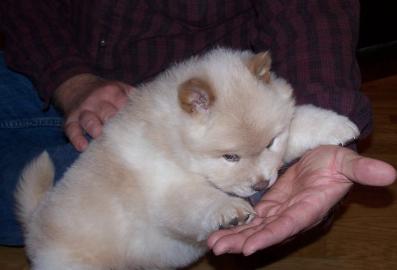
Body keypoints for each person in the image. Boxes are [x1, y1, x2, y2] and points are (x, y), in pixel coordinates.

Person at [0, 0, 395, 255]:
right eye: (232, 155)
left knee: (252, 195)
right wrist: (70, 80)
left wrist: (325, 124)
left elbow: (312, 17)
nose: (262, 176)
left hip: (214, 98)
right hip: (56, 69)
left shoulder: (237, 112)